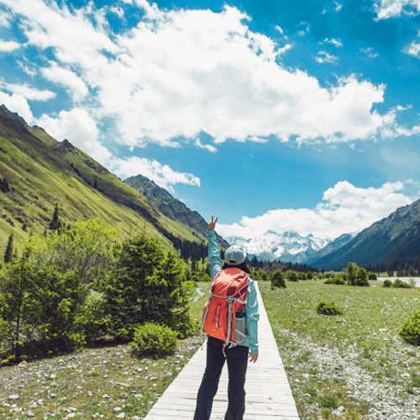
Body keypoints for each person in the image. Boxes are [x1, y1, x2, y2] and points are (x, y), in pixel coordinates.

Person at [193, 216, 260, 420]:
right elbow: (253, 317)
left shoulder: (217, 275)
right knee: (236, 386)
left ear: (227, 260)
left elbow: (213, 257)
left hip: (215, 338)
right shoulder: (248, 283)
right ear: (243, 261)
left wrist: (211, 232)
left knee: (209, 380)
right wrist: (254, 346)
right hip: (238, 343)